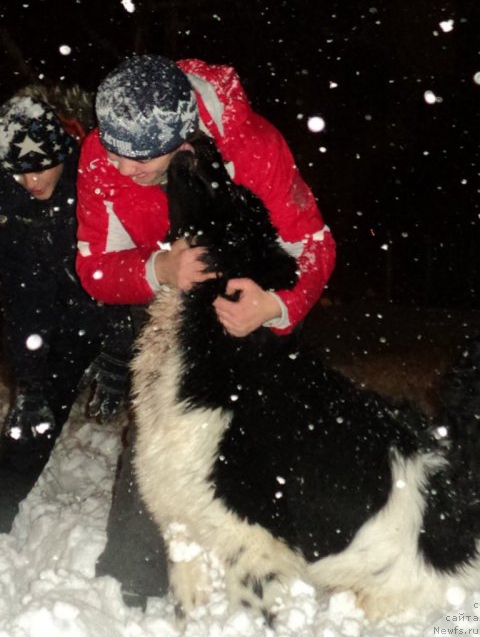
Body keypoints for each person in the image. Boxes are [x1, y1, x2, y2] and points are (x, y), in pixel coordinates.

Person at [75, 54, 336, 606]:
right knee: (162, 433)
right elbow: (95, 266)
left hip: (248, 302)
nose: (121, 169)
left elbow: (313, 245)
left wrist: (275, 306)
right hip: (161, 302)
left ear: (181, 132)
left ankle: (279, 549)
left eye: (139, 158)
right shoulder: (102, 153)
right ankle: (134, 571)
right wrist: (158, 269)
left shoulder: (255, 147)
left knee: (261, 427)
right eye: (114, 153)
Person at [0, 94, 134, 532]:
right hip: (62, 320)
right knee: (35, 419)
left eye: (41, 166)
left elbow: (135, 263)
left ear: (62, 154)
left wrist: (119, 349)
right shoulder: (11, 204)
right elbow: (24, 297)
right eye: (21, 171)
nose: (32, 181)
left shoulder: (98, 179)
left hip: (117, 309)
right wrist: (29, 382)